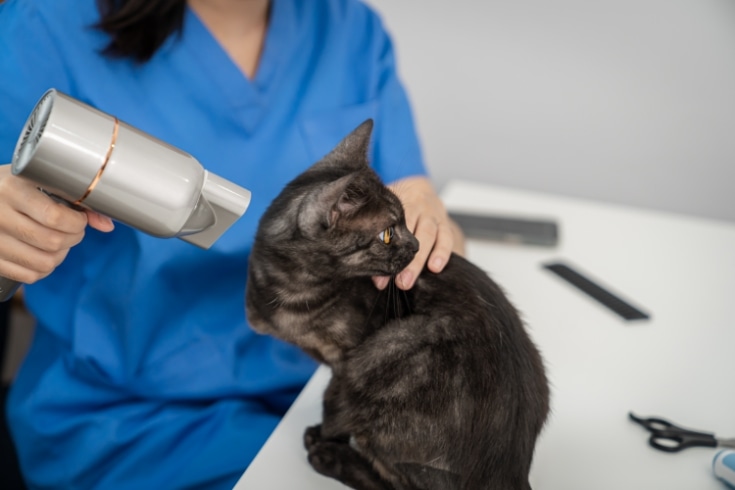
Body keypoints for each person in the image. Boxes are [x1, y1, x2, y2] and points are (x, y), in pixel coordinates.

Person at [0, 0, 464, 488]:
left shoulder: (349, 28)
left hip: (325, 394)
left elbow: (421, 214)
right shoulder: (44, 27)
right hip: (138, 422)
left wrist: (432, 223)